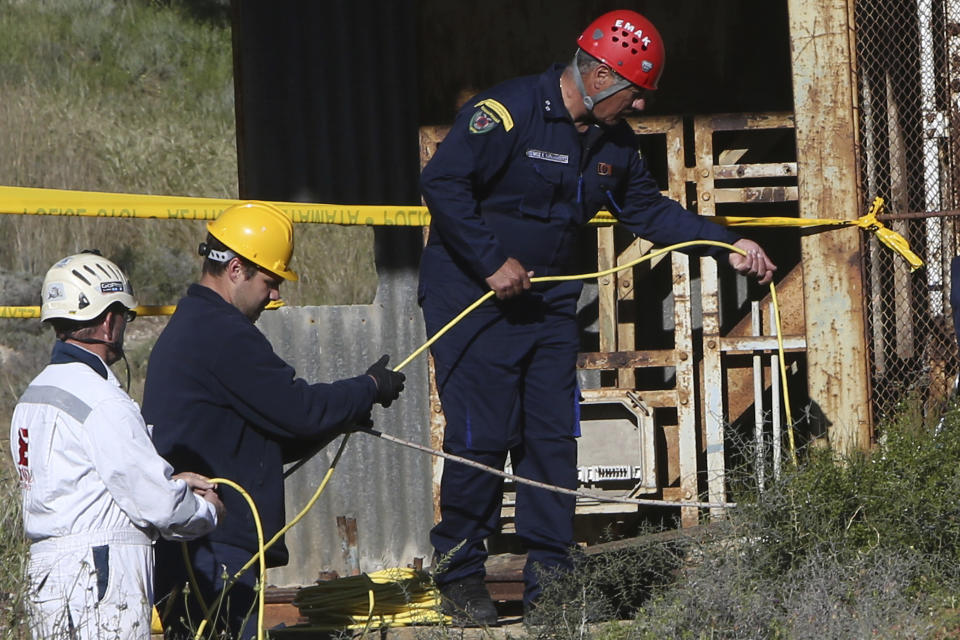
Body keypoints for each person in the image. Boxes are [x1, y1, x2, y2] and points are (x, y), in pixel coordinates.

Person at [418, 9, 777, 625]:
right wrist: (490, 261)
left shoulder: (614, 143)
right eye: (635, 93)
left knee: (551, 441)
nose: (639, 108)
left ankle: (551, 590)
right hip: (473, 302)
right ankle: (459, 577)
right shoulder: (505, 113)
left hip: (550, 307)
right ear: (603, 76)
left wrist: (727, 243)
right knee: (482, 438)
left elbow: (649, 212)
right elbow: (443, 183)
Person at [142, 201, 406, 639]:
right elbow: (298, 410)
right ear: (236, 269)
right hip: (212, 549)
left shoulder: (196, 326)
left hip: (199, 545)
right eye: (270, 280)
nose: (276, 294)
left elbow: (270, 434)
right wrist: (368, 389)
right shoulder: (221, 334)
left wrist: (343, 417)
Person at [9, 251, 223, 640]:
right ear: (109, 322)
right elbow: (160, 506)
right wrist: (206, 511)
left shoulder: (32, 396)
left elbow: (89, 486)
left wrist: (172, 480)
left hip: (47, 580)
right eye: (126, 316)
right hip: (99, 577)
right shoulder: (102, 400)